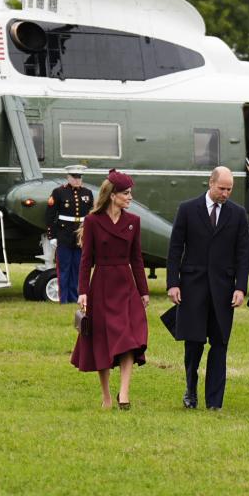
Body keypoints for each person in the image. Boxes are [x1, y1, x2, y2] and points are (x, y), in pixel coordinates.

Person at [166, 166, 249, 411]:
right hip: (193, 287)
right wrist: (173, 283)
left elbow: (243, 254)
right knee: (193, 344)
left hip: (224, 291)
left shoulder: (237, 214)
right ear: (210, 183)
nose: (225, 193)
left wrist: (240, 287)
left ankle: (215, 401)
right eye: (222, 188)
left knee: (220, 344)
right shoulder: (187, 209)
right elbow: (175, 249)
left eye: (229, 189)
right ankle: (190, 390)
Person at [71, 169, 150, 409]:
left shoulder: (133, 222)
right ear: (112, 195)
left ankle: (124, 394)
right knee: (102, 341)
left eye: (130, 193)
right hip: (101, 285)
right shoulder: (93, 221)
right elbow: (86, 260)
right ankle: (106, 396)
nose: (130, 197)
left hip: (126, 285)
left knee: (129, 338)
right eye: (126, 193)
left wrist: (143, 291)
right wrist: (83, 292)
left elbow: (137, 259)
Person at [45, 164, 93, 304]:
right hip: (64, 234)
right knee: (64, 268)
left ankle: (74, 297)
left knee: (78, 267)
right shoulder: (58, 192)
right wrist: (52, 236)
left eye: (79, 177)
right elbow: (50, 216)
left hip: (81, 235)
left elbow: (91, 215)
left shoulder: (87, 193)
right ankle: (63, 298)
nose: (77, 180)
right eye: (74, 177)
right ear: (68, 177)